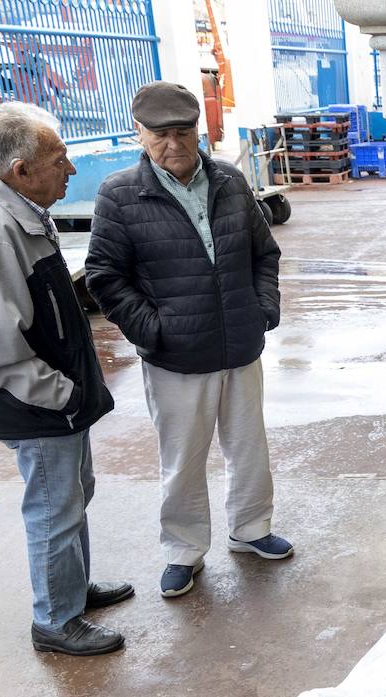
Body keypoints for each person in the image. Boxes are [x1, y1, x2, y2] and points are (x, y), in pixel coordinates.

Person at [0, 102, 132, 656]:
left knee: (71, 495)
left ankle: (70, 590)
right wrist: (62, 395)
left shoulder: (13, 208)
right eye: (59, 159)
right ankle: (55, 620)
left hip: (54, 398)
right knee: (54, 508)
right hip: (40, 404)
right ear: (21, 170)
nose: (70, 169)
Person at [87, 81, 290, 600]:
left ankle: (251, 528)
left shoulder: (229, 180)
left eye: (183, 132)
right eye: (160, 135)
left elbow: (263, 253)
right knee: (182, 460)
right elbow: (105, 277)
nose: (173, 144)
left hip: (239, 344)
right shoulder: (120, 193)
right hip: (174, 358)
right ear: (139, 133)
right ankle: (183, 551)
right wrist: (154, 330)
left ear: (198, 130)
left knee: (249, 447)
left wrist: (263, 309)